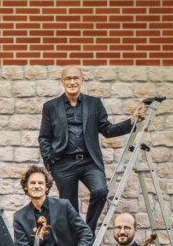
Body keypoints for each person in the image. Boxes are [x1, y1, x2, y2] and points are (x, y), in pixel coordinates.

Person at [38, 66, 145, 234]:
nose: (72, 82)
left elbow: (108, 130)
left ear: (82, 81)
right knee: (69, 207)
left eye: (75, 78)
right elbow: (44, 137)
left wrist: (131, 121)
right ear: (62, 81)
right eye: (68, 79)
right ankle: (76, 241)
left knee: (101, 191)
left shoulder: (94, 103)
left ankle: (88, 231)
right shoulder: (50, 106)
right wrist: (50, 162)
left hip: (89, 161)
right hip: (63, 163)